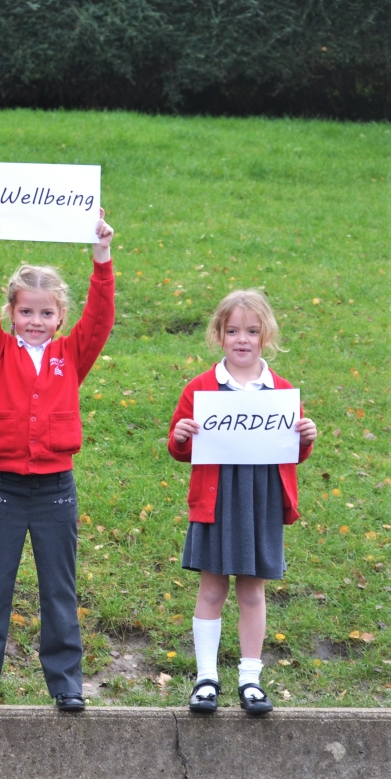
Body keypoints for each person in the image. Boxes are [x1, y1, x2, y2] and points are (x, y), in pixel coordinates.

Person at [0, 203, 115, 712]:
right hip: (4, 488)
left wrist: (102, 255)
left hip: (55, 490)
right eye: (26, 312)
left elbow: (101, 316)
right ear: (12, 313)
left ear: (60, 316)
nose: (36, 321)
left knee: (58, 593)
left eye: (47, 313)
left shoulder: (72, 354)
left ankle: (66, 683)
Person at [168, 289, 316, 716]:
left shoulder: (282, 391)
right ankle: (206, 678)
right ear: (219, 334)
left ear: (266, 335)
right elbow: (181, 447)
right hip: (216, 499)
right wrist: (180, 436)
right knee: (211, 588)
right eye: (232, 330)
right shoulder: (200, 388)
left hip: (261, 501)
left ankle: (250, 679)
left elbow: (292, 453)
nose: (242, 339)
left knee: (252, 592)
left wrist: (305, 439)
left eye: (252, 331)